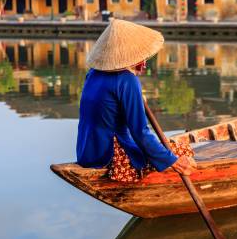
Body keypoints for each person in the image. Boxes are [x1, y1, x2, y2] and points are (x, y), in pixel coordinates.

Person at [77, 19, 196, 182]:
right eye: (140, 58)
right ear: (128, 57)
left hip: (87, 152)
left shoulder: (93, 74)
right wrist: (173, 161)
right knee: (184, 150)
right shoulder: (127, 80)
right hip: (110, 155)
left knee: (168, 147)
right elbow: (140, 132)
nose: (144, 64)